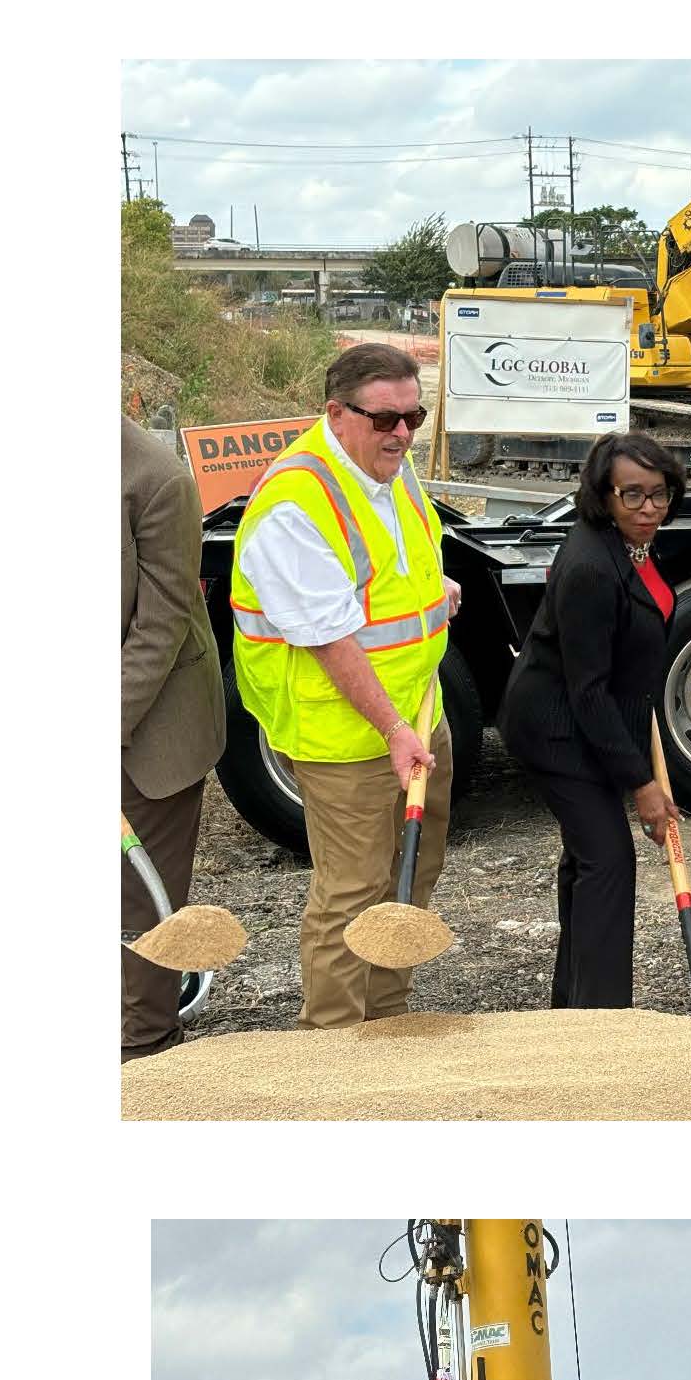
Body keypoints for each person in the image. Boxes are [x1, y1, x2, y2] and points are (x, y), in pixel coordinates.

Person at [229, 345, 461, 1028]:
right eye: (386, 418)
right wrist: (393, 731)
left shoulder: (390, 462)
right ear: (336, 412)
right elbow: (330, 638)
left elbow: (392, 563)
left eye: (414, 416)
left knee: (411, 876)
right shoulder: (295, 504)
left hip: (417, 713)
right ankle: (331, 1049)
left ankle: (388, 1023)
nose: (403, 433)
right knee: (352, 893)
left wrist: (435, 589)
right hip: (346, 733)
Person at [498, 434, 679, 1007]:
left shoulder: (631, 546)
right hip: (556, 729)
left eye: (660, 494)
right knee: (608, 860)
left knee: (588, 857)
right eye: (633, 496)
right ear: (603, 496)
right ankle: (601, 1022)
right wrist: (642, 785)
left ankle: (572, 1009)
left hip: (590, 722)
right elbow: (589, 692)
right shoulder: (591, 568)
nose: (649, 509)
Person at [121, 417, 226, 1059]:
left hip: (151, 726)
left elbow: (158, 630)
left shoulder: (157, 480)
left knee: (140, 903)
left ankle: (143, 1044)